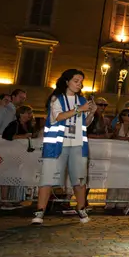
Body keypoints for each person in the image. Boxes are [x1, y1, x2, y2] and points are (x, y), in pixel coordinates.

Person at [32, 69, 95, 225]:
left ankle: (81, 209)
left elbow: (84, 123)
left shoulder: (82, 100)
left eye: (81, 81)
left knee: (80, 179)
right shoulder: (56, 99)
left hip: (78, 145)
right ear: (67, 82)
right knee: (47, 178)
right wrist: (79, 109)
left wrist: (92, 113)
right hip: (57, 145)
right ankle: (39, 212)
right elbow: (57, 117)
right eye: (76, 81)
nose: (79, 84)